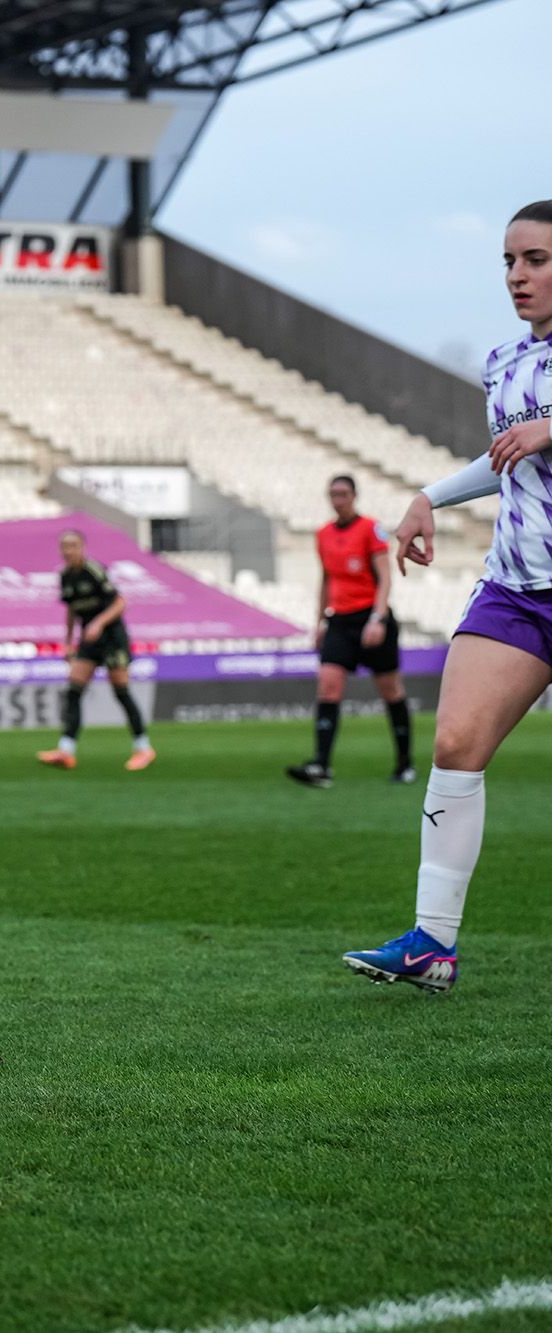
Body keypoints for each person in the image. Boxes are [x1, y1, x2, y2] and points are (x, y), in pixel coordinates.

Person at [342, 200, 552, 994]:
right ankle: (432, 943)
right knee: (456, 745)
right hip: (518, 586)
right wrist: (431, 493)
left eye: (535, 259)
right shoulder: (504, 360)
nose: (517, 276)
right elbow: (507, 453)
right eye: (509, 261)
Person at [286, 475, 414, 788]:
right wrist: (319, 622)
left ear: (354, 496)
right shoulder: (324, 534)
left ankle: (404, 763)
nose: (337, 499)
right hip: (339, 621)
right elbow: (327, 580)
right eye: (333, 494)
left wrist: (378, 618)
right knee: (328, 687)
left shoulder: (371, 528)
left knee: (391, 691)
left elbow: (385, 577)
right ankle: (321, 766)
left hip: (370, 618)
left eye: (343, 493)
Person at [36, 529, 155, 772]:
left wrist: (98, 623)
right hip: (89, 640)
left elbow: (121, 602)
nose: (68, 551)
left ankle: (143, 748)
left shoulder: (93, 571)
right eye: (64, 546)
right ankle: (66, 751)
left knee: (121, 691)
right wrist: (69, 643)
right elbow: (71, 611)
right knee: (73, 690)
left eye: (73, 546)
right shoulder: (65, 576)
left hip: (112, 637)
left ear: (82, 548)